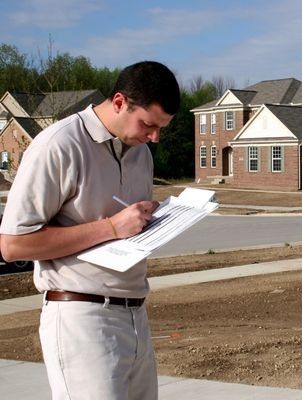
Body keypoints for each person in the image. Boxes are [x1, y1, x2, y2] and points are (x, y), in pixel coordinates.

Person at [0, 61, 180, 399]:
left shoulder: (141, 154)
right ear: (118, 102)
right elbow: (12, 245)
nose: (154, 137)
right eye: (148, 124)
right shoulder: (58, 145)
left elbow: (126, 231)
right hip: (80, 315)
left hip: (136, 313)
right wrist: (112, 226)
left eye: (162, 128)